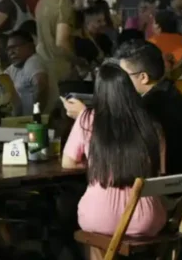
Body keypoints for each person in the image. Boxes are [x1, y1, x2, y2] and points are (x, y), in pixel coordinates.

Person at [64, 40, 182, 175]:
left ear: (143, 77)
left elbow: (119, 146)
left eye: (123, 76)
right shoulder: (169, 92)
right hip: (177, 180)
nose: (119, 80)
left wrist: (86, 118)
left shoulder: (149, 106)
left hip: (160, 185)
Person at [62, 63, 166, 238]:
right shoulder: (152, 124)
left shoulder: (87, 119)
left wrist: (98, 163)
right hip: (146, 217)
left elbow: (68, 162)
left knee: (95, 241)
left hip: (99, 215)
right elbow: (160, 172)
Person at [4, 30, 50, 114]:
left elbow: (41, 84)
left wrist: (36, 115)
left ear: (30, 47)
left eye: (15, 47)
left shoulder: (33, 61)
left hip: (40, 122)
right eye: (8, 49)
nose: (11, 52)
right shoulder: (14, 67)